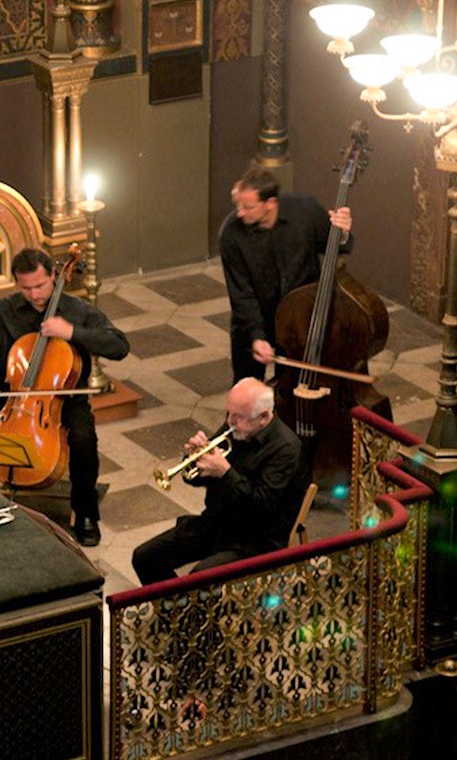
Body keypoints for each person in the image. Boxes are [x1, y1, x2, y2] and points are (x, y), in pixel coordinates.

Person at [0, 247, 130, 547]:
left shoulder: (77, 311)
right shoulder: (5, 311)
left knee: (83, 438)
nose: (34, 294)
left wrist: (72, 332)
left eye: (41, 285)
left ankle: (86, 513)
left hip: (64, 401)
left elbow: (119, 345)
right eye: (26, 288)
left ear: (53, 277)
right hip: (13, 397)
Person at [131, 378, 306, 585]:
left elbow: (262, 507)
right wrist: (194, 459)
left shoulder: (286, 449)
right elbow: (194, 479)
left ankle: (194, 613)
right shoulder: (235, 426)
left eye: (238, 417)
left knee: (199, 578)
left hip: (256, 538)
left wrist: (225, 472)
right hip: (217, 522)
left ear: (264, 417)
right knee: (145, 557)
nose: (230, 422)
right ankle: (176, 611)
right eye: (229, 413)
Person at [220, 168, 353, 382]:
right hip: (255, 319)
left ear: (270, 203)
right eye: (239, 205)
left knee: (292, 387)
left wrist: (343, 231)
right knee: (246, 388)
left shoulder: (305, 210)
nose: (240, 212)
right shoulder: (231, 233)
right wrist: (256, 336)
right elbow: (241, 293)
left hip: (299, 322)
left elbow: (334, 245)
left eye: (248, 207)